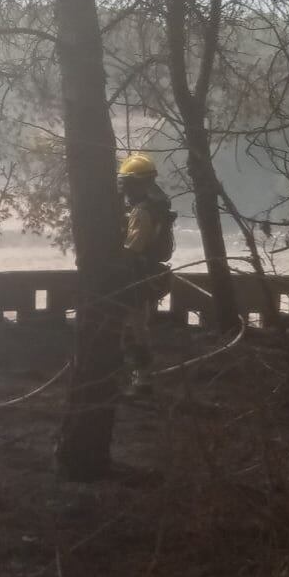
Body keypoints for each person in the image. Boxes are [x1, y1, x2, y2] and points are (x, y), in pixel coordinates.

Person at [118, 153, 176, 398]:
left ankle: (141, 380)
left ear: (135, 184)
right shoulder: (157, 208)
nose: (124, 190)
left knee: (135, 329)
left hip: (137, 277)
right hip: (148, 275)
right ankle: (137, 377)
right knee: (139, 327)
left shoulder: (142, 212)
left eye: (126, 184)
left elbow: (132, 249)